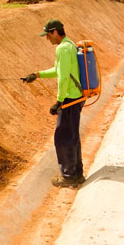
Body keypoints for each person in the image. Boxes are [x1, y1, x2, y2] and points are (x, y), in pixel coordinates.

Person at [23, 19, 86, 187]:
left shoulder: (63, 48)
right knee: (71, 135)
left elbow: (64, 77)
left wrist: (58, 102)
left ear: (55, 32)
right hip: (75, 97)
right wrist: (37, 75)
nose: (47, 39)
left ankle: (69, 177)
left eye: (48, 35)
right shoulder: (68, 45)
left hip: (70, 99)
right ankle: (77, 174)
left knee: (63, 137)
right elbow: (58, 70)